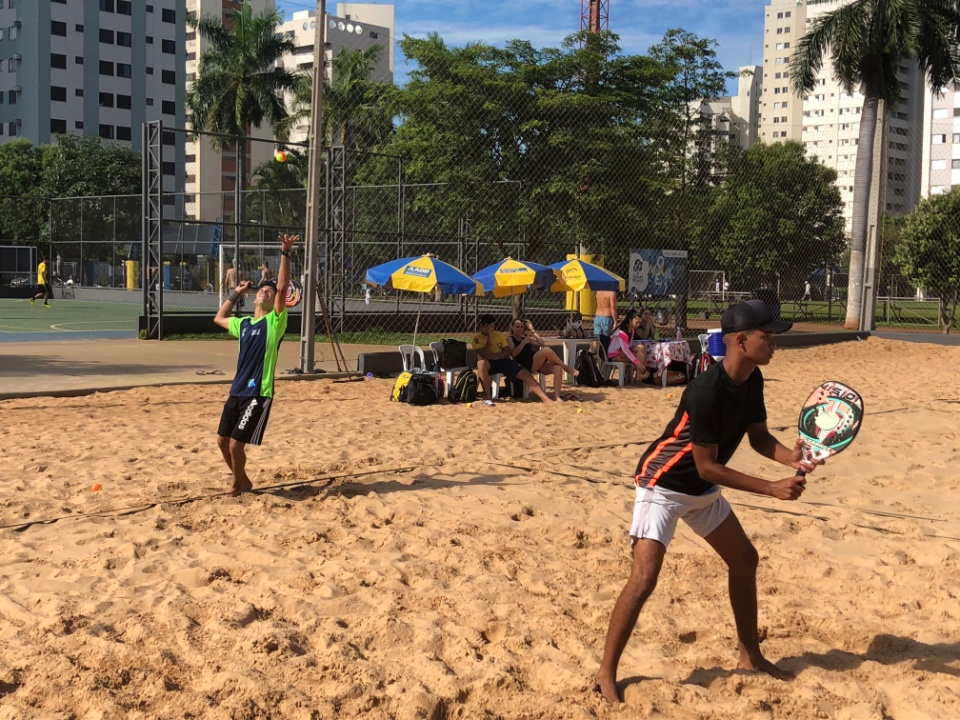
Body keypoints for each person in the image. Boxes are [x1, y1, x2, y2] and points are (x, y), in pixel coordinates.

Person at [595, 299, 821, 703]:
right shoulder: (705, 391)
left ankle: (750, 656)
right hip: (662, 486)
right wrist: (770, 488)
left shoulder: (752, 379)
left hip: (699, 491)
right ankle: (606, 672)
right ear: (741, 340)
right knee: (645, 578)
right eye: (767, 337)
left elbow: (758, 439)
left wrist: (791, 456)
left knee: (744, 559)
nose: (774, 345)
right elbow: (707, 467)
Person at [213, 234, 299, 494]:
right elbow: (219, 318)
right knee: (221, 441)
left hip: (258, 393)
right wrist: (235, 293)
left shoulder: (275, 322)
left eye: (270, 291)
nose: (266, 290)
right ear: (254, 298)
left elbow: (283, 285)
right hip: (236, 390)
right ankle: (244, 480)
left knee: (236, 446)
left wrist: (285, 253)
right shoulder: (244, 325)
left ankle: (238, 484)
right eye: (263, 289)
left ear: (276, 302)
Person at [471, 314, 554, 406]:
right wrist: (489, 339)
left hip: (502, 360)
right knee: (481, 363)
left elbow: (507, 351)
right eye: (488, 326)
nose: (491, 329)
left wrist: (498, 356)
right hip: (489, 364)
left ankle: (545, 398)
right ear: (482, 326)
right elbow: (484, 354)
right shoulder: (476, 338)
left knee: (525, 373)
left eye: (492, 326)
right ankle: (488, 396)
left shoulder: (498, 334)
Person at [506, 318, 579, 400]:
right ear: (512, 327)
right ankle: (567, 368)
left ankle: (557, 397)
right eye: (517, 327)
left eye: (522, 327)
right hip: (525, 364)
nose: (520, 329)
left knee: (557, 368)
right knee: (546, 350)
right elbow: (514, 353)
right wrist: (523, 343)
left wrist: (532, 330)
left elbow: (541, 343)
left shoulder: (526, 338)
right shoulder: (510, 339)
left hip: (535, 362)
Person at [605, 310, 649, 385]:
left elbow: (629, 346)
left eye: (639, 323)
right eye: (636, 322)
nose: (638, 325)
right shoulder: (622, 332)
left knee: (641, 349)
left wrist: (639, 348)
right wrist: (637, 363)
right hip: (614, 354)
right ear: (630, 320)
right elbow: (625, 349)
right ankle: (639, 378)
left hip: (621, 351)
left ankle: (639, 376)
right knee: (639, 356)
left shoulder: (632, 330)